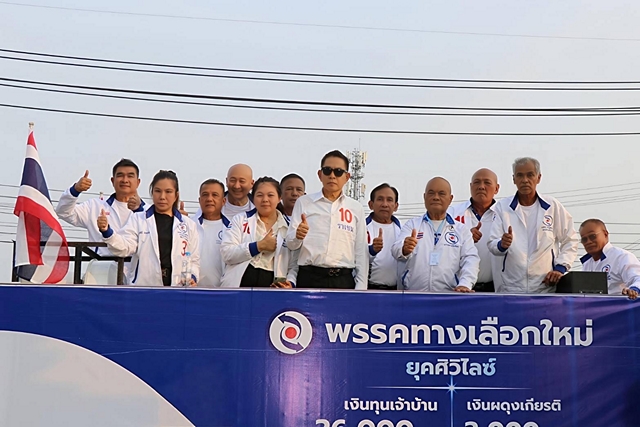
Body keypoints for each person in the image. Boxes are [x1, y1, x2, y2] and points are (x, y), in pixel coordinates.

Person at [488, 157, 578, 293]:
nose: (525, 180)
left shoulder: (552, 206)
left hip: (545, 287)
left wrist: (560, 268)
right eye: (520, 175)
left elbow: (570, 240)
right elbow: (492, 243)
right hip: (511, 288)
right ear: (514, 179)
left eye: (530, 175)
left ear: (538, 178)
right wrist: (502, 244)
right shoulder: (502, 207)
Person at [98, 170, 200, 287]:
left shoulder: (188, 224)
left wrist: (192, 277)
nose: (162, 197)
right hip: (144, 287)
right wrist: (107, 231)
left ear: (176, 195)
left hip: (178, 287)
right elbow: (125, 247)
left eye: (168, 192)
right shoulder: (138, 219)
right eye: (158, 191)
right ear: (152, 193)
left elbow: (194, 260)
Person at [286, 150, 368, 289]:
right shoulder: (304, 203)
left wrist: (361, 288)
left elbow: (360, 251)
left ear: (347, 177)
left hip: (343, 280)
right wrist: (297, 236)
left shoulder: (356, 208)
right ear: (320, 174)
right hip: (309, 277)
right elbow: (291, 244)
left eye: (338, 172)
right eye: (327, 170)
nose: (332, 176)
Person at [56, 158, 145, 283]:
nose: (125, 180)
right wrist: (75, 190)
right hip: (101, 275)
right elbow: (63, 212)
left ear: (138, 182)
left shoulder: (148, 212)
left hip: (138, 276)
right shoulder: (95, 206)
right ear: (112, 180)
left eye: (130, 176)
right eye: (120, 175)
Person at [392, 177, 479, 292]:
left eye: (441, 194)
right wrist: (404, 249)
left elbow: (471, 259)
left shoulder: (461, 230)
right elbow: (395, 249)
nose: (436, 197)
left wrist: (465, 284)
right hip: (415, 294)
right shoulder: (412, 224)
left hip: (449, 295)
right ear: (424, 197)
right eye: (431, 193)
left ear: (450, 199)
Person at [220, 177, 297, 288]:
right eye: (260, 195)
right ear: (253, 198)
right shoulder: (240, 219)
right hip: (239, 285)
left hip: (273, 286)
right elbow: (227, 253)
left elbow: (294, 264)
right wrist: (258, 246)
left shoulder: (289, 227)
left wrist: (290, 282)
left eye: (270, 195)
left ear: (279, 198)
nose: (265, 200)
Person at [449, 168, 501, 292]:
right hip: (460, 288)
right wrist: (465, 238)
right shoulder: (452, 213)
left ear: (496, 188)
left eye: (487, 182)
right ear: (470, 186)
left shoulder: (504, 214)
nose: (481, 187)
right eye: (477, 182)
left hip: (496, 288)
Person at [579, 219, 640, 299]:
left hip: (618, 305)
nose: (588, 242)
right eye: (584, 239)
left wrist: (634, 290)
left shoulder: (621, 257)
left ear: (605, 234)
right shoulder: (587, 264)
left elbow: (637, 278)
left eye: (592, 236)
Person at [366, 183, 403, 290]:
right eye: (380, 199)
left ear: (396, 206)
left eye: (389, 200)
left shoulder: (403, 231)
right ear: (371, 204)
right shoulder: (361, 228)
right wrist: (372, 250)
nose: (385, 204)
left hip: (395, 291)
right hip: (369, 289)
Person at [196, 179, 229, 288]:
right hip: (191, 289)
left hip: (222, 291)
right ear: (199, 200)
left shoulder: (232, 229)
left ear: (223, 201)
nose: (209, 199)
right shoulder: (189, 225)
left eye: (215, 195)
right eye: (205, 195)